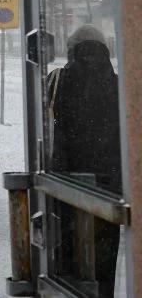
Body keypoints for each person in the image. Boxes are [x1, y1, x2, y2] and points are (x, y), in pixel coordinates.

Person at [44, 24, 121, 294]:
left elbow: (47, 129)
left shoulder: (57, 80)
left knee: (66, 265)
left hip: (65, 187)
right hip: (110, 190)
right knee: (102, 266)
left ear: (70, 50)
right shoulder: (119, 85)